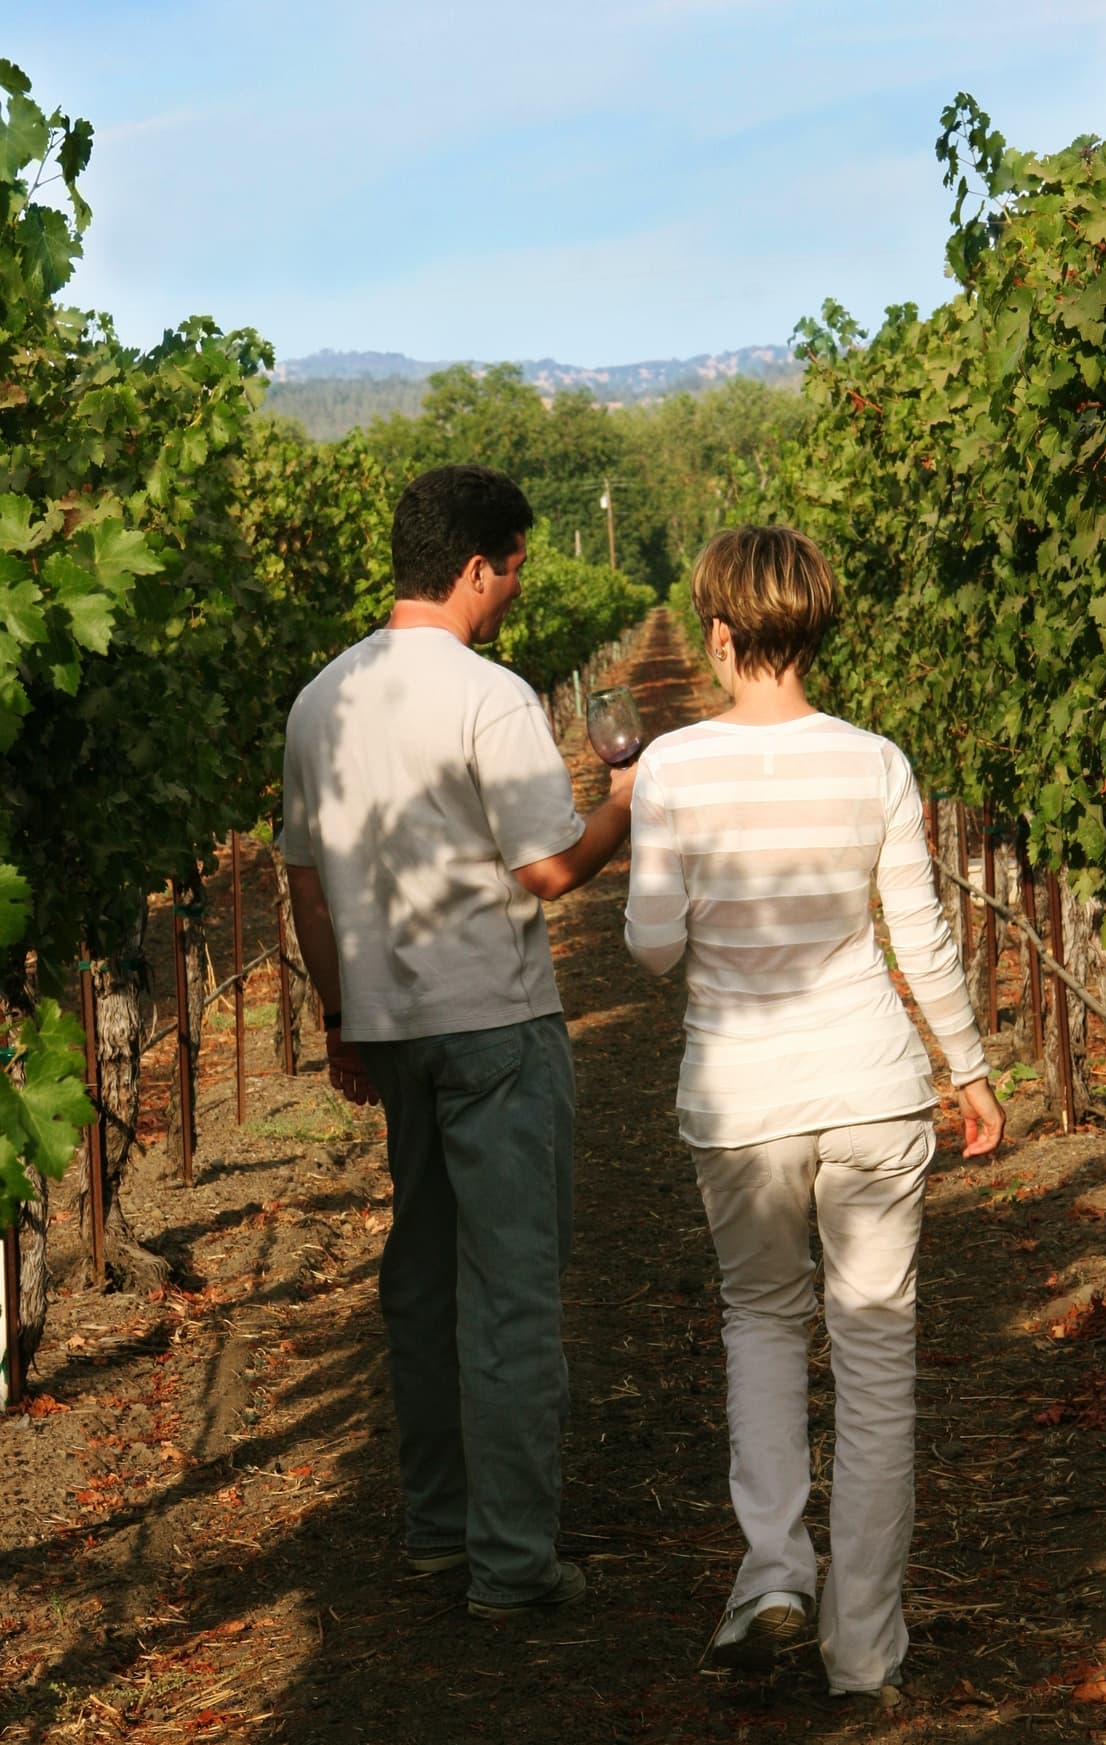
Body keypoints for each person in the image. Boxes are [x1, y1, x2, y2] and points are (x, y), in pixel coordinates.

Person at [624, 525, 1004, 1703]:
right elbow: (919, 936)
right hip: (874, 1085)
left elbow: (647, 947)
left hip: (740, 1097)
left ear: (721, 633)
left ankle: (772, 1572)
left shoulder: (674, 768)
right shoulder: (875, 760)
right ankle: (861, 1650)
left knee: (762, 1321)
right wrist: (970, 1068)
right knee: (877, 1355)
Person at [283, 463, 635, 1618]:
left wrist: (340, 1020)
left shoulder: (317, 699)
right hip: (494, 1026)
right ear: (477, 566)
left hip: (390, 1032)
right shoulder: (493, 696)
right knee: (514, 1296)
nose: (519, 588)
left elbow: (306, 889)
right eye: (517, 566)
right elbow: (547, 869)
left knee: (422, 1283)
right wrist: (626, 802)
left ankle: (437, 1531)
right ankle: (513, 1565)